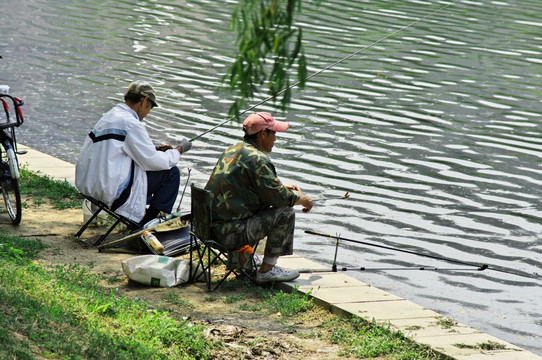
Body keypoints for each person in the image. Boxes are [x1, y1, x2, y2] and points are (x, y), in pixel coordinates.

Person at [205, 112, 313, 284]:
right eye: (274, 133)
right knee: (286, 213)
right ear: (263, 134)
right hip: (228, 235)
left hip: (208, 229)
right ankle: (267, 271)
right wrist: (302, 199)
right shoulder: (258, 160)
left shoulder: (233, 150)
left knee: (278, 205)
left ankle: (256, 262)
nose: (276, 138)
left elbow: (242, 184)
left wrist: (281, 186)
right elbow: (278, 198)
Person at [75, 80, 192, 227]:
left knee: (143, 174)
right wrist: (179, 150)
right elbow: (155, 162)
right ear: (144, 101)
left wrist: (153, 149)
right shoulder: (132, 124)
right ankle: (146, 225)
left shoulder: (110, 115)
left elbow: (116, 149)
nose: (148, 113)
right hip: (112, 191)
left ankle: (141, 220)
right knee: (172, 173)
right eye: (149, 108)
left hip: (91, 186)